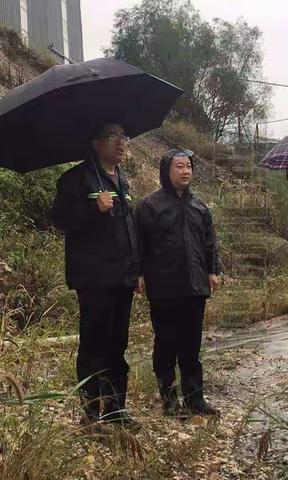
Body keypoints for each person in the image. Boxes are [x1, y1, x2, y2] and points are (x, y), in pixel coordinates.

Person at [51, 123, 140, 428]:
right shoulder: (77, 178)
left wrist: (136, 269)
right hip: (94, 278)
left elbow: (129, 230)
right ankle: (91, 414)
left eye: (123, 136)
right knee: (94, 345)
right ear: (96, 143)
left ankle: (116, 409)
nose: (121, 142)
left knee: (118, 344)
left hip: (122, 277)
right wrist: (94, 209)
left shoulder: (122, 181)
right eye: (113, 136)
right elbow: (59, 219)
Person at [136, 149, 221, 417]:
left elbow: (210, 242)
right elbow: (139, 244)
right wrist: (138, 274)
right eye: (179, 166)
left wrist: (213, 270)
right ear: (166, 171)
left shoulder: (200, 207)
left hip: (194, 286)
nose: (185, 171)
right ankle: (169, 398)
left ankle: (195, 398)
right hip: (163, 286)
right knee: (166, 343)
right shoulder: (150, 206)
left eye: (188, 167)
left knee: (191, 344)